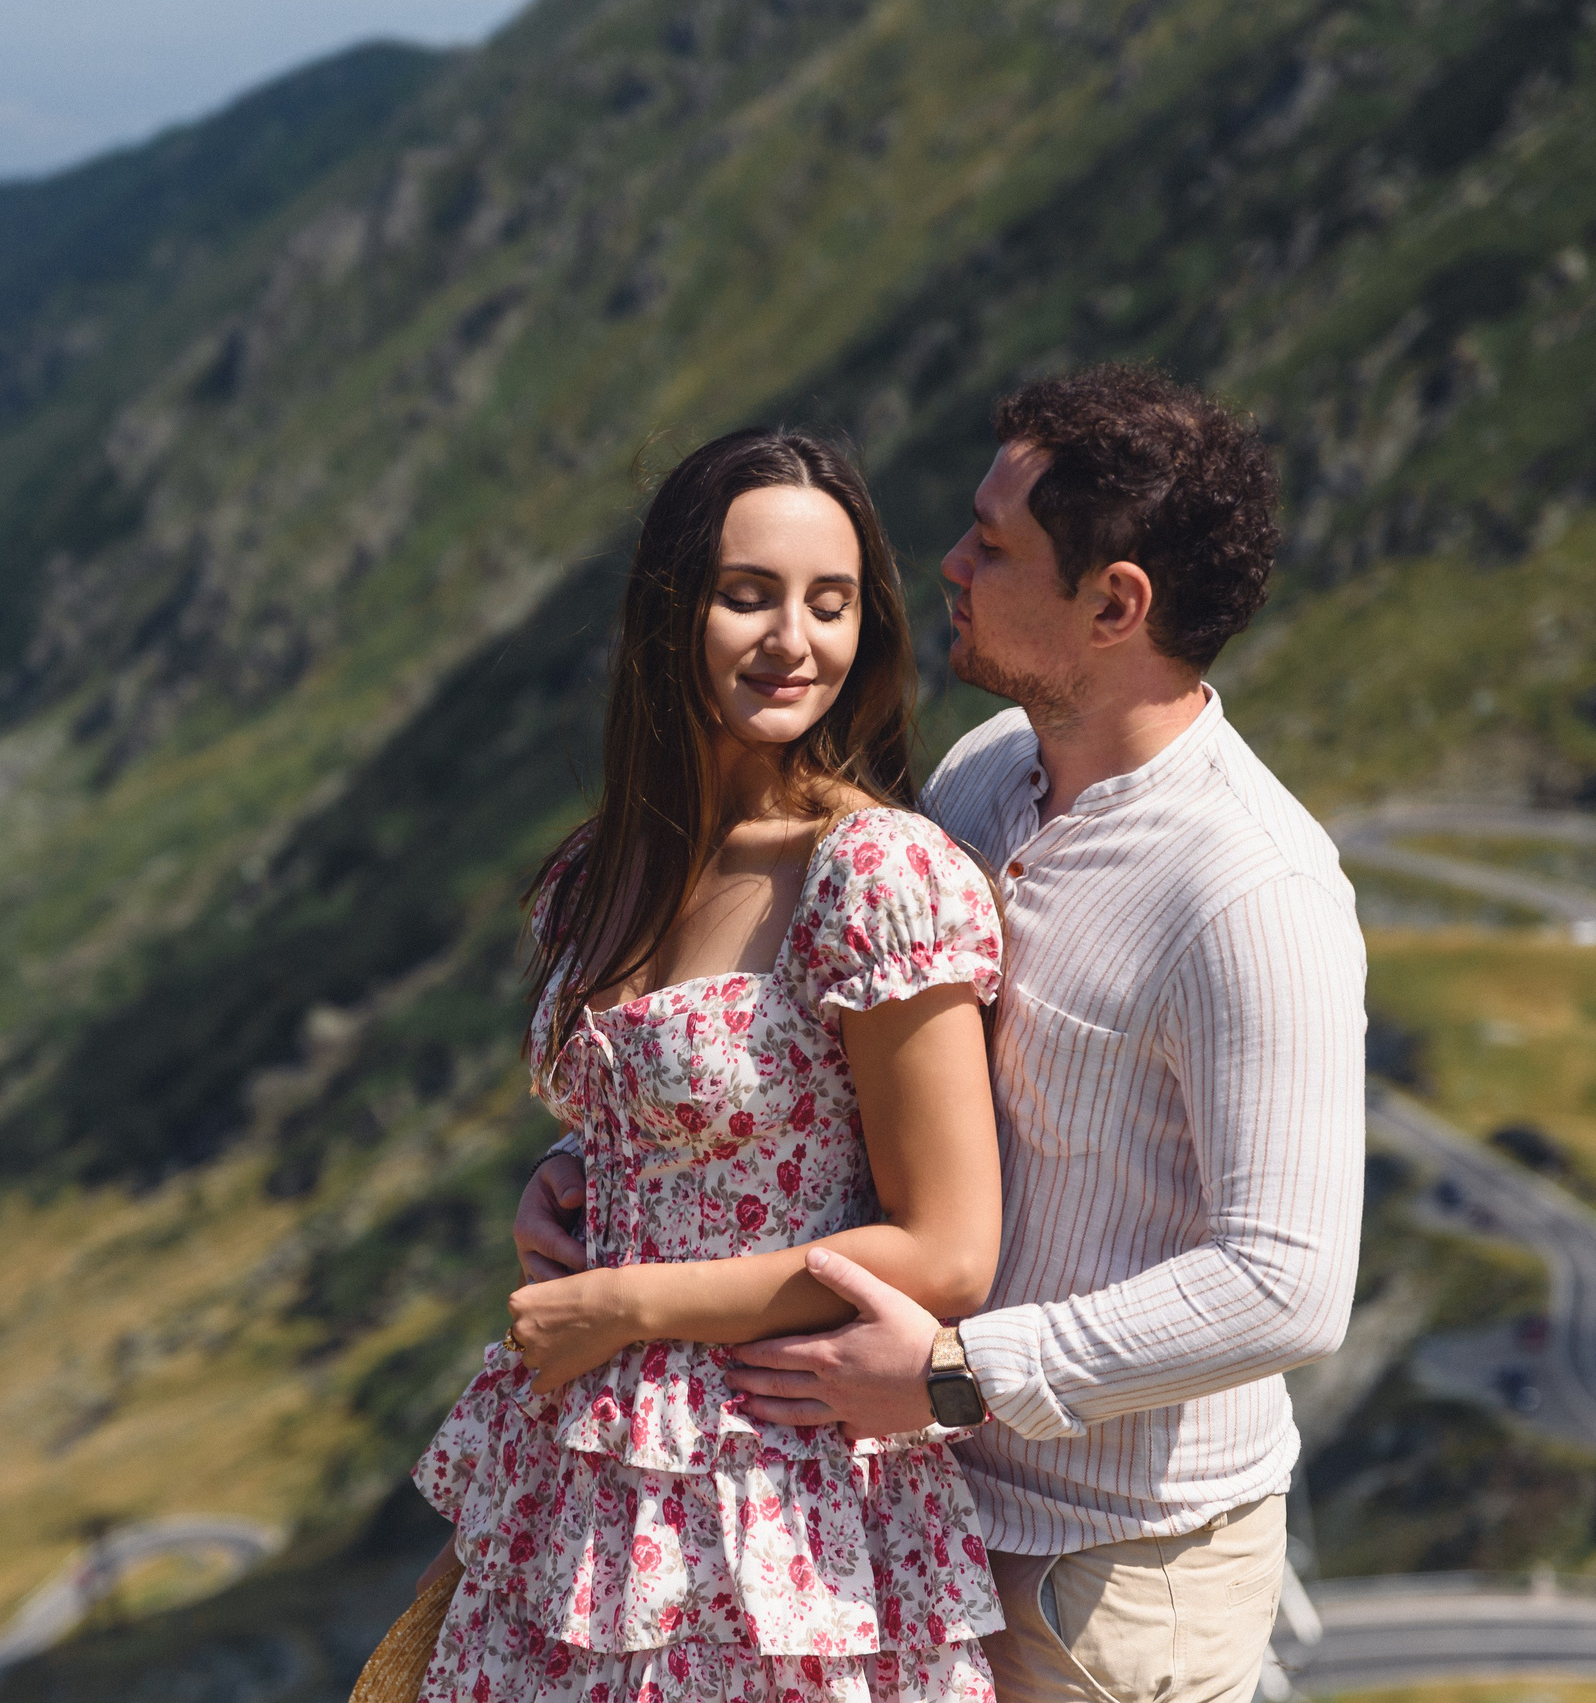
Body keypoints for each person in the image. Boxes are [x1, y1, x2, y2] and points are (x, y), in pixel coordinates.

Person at [516, 366, 1368, 1703]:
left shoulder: (1248, 887)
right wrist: (622, 1172)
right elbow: (825, 1060)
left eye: (996, 540)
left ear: (1114, 603)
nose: (951, 559)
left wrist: (956, 1377)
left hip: (1115, 1564)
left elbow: (1288, 1283)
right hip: (919, 1499)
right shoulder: (987, 774)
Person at [407, 427, 1012, 1703]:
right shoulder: (599, 869)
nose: (794, 639)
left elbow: (948, 1249)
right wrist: (568, 1179)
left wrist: (630, 1303)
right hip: (585, 1471)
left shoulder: (872, 875)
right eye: (750, 595)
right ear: (671, 611)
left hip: (784, 1493)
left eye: (830, 603)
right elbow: (690, 1114)